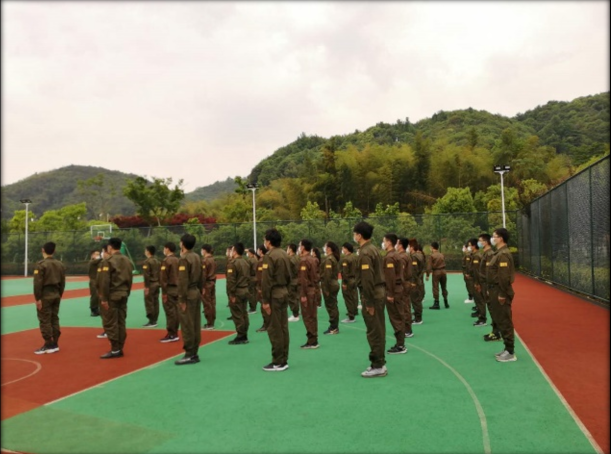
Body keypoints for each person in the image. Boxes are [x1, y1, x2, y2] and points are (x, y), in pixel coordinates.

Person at [353, 221, 387, 378]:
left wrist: (369, 302)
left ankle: (378, 365)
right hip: (377, 292)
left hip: (372, 294)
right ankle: (378, 362)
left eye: (355, 234)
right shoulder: (373, 249)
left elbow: (367, 280)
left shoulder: (365, 253)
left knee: (374, 331)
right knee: (377, 329)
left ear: (359, 235)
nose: (354, 236)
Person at [261, 228, 292, 371]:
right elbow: (289, 275)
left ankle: (278, 361)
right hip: (283, 291)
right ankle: (283, 358)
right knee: (283, 327)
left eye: (265, 239)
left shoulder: (270, 256)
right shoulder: (284, 254)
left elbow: (266, 281)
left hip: (274, 294)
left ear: (269, 241)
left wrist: (265, 301)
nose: (264, 242)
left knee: (275, 328)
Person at [99, 237, 134, 359]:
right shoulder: (127, 260)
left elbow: (105, 281)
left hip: (112, 295)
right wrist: (127, 292)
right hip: (123, 293)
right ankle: (119, 347)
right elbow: (130, 278)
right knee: (121, 321)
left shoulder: (108, 261)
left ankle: (115, 349)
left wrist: (104, 298)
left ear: (109, 247)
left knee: (110, 322)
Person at [488, 228, 517, 362]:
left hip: (501, 291)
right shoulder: (498, 253)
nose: (492, 238)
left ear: (501, 238)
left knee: (505, 320)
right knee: (500, 319)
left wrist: (502, 294)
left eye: (494, 236)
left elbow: (504, 277)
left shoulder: (503, 254)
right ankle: (506, 348)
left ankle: (510, 351)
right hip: (495, 290)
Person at [175, 233, 203, 365]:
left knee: (187, 324)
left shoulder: (184, 259)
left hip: (188, 294)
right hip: (196, 291)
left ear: (183, 244)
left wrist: (181, 299)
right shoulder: (197, 257)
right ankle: (194, 352)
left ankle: (189, 353)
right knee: (195, 324)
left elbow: (183, 280)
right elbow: (201, 276)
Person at [33, 242, 66, 354]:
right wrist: (60, 294)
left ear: (43, 250)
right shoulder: (60, 264)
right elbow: (63, 282)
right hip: (56, 293)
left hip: (45, 295)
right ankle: (55, 343)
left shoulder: (41, 265)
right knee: (54, 318)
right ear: (54, 251)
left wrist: (37, 298)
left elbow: (37, 283)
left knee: (45, 319)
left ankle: (48, 344)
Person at [382, 233, 407, 355]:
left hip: (394, 290)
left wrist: (390, 294)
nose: (383, 244)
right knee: (399, 316)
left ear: (389, 242)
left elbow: (391, 277)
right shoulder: (396, 255)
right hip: (398, 289)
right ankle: (400, 343)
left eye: (384, 241)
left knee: (396, 318)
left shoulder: (390, 257)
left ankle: (400, 345)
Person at [226, 243, 251, 344]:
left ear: (235, 251)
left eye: (232, 250)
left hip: (237, 291)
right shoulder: (245, 262)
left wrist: (231, 294)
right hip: (245, 289)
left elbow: (231, 280)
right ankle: (244, 334)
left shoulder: (233, 263)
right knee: (244, 313)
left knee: (237, 314)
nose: (231, 252)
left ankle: (241, 336)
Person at [298, 239, 320, 349]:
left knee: (308, 317)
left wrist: (303, 295)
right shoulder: (314, 259)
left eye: (299, 245)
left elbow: (303, 279)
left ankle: (312, 341)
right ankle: (314, 339)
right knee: (313, 316)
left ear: (303, 247)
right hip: (314, 289)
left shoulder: (304, 261)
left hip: (307, 291)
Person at [159, 241, 180, 343]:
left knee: (170, 312)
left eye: (164, 248)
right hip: (178, 289)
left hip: (169, 289)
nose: (164, 250)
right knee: (176, 311)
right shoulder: (178, 260)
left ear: (167, 248)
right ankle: (174, 332)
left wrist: (164, 293)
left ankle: (172, 334)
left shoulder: (166, 261)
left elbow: (163, 278)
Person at [321, 241, 341, 335]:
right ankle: (334, 326)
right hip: (333, 284)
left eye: (325, 246)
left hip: (330, 285)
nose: (324, 248)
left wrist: (326, 289)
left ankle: (334, 327)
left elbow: (327, 275)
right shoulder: (332, 258)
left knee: (331, 306)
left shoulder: (329, 259)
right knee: (333, 305)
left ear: (329, 248)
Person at [396, 237, 414, 338]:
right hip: (406, 283)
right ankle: (406, 328)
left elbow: (400, 273)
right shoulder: (405, 255)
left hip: (403, 284)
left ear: (400, 245)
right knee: (405, 306)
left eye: (397, 243)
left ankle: (407, 329)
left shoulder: (402, 257)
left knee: (404, 307)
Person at [95, 243, 111, 339]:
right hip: (115, 292)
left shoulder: (106, 263)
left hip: (106, 292)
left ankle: (108, 331)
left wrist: (102, 294)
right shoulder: (122, 260)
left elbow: (104, 280)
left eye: (102, 251)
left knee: (106, 313)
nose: (102, 253)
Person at [142, 245, 161, 327]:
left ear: (148, 251)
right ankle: (155, 320)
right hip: (157, 283)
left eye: (145, 250)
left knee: (149, 302)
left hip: (151, 284)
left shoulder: (147, 262)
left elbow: (146, 275)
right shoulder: (157, 261)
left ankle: (151, 321)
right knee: (155, 302)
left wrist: (146, 287)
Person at [468, 239, 486, 326]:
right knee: (477, 299)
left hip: (477, 281)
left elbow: (477, 271)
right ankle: (480, 314)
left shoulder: (477, 256)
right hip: (476, 280)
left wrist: (477, 283)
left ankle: (482, 319)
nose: (469, 247)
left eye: (470, 245)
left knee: (480, 300)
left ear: (474, 246)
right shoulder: (474, 255)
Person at [426, 242, 449, 309]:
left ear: (432, 247)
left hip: (436, 272)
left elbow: (429, 266)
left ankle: (436, 303)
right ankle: (446, 302)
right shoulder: (442, 255)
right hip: (443, 271)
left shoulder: (432, 256)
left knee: (435, 287)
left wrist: (427, 275)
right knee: (444, 287)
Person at [340, 242, 358, 323]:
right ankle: (354, 311)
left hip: (348, 281)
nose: (342, 250)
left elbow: (345, 272)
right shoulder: (355, 257)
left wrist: (344, 283)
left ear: (346, 249)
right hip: (355, 279)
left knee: (348, 298)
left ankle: (351, 316)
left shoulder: (346, 259)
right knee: (354, 296)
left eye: (343, 248)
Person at [200, 244, 217, 330]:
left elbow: (203, 275)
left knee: (207, 304)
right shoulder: (213, 259)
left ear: (204, 250)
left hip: (206, 284)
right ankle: (212, 321)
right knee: (212, 303)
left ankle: (209, 323)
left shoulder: (205, 261)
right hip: (212, 282)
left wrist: (202, 286)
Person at [408, 239, 425, 325]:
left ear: (412, 247)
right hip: (419, 280)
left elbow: (414, 270)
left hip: (415, 281)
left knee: (415, 300)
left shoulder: (414, 257)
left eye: (409, 246)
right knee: (417, 300)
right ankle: (418, 316)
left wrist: (413, 282)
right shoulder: (420, 255)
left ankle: (418, 319)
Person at [255, 245, 270, 332]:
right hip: (267, 287)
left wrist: (260, 288)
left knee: (264, 307)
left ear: (261, 251)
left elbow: (261, 276)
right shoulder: (267, 259)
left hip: (263, 287)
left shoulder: (262, 261)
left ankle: (266, 324)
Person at [286, 243, 301, 322]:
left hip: (292, 281)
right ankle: (297, 312)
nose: (287, 250)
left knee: (292, 298)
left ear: (291, 249)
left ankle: (295, 315)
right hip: (298, 279)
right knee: (296, 298)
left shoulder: (289, 258)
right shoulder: (298, 257)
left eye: (288, 248)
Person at [87, 249, 102, 317]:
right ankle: (93, 309)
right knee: (94, 296)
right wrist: (102, 257)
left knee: (99, 296)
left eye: (99, 254)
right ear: (92, 255)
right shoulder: (92, 262)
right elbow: (98, 260)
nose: (98, 256)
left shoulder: (98, 262)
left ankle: (97, 309)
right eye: (97, 254)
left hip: (99, 280)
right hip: (93, 280)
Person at [246, 248, 258, 315]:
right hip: (255, 277)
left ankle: (252, 308)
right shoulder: (255, 259)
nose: (247, 253)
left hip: (251, 278)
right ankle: (253, 307)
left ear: (250, 253)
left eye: (248, 252)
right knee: (254, 293)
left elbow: (247, 269)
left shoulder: (250, 260)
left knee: (251, 293)